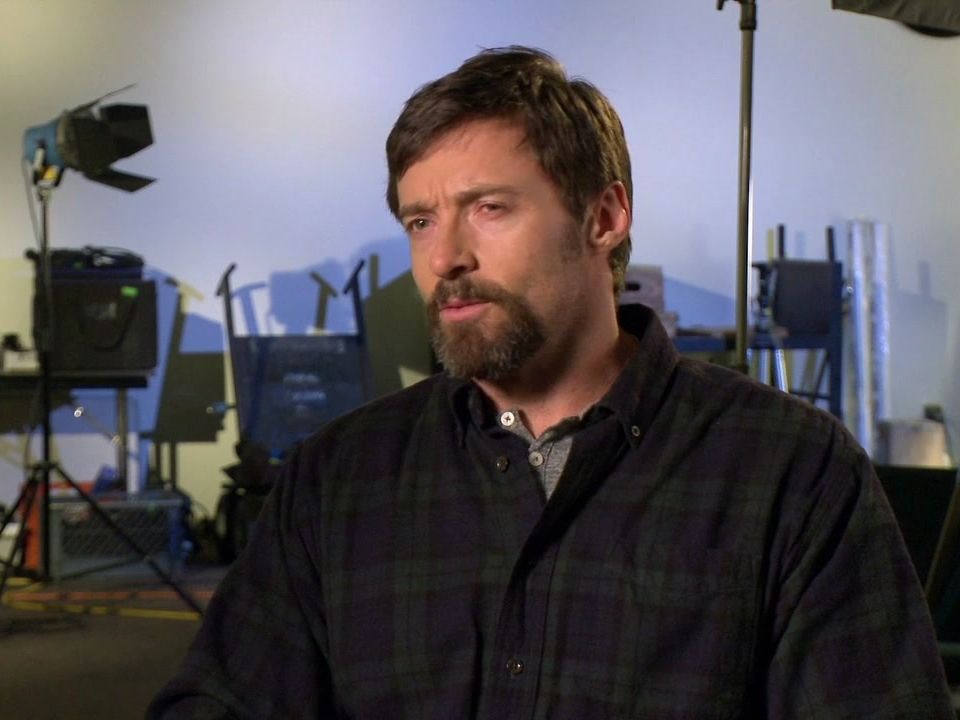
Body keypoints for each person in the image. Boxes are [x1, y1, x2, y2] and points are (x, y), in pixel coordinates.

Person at [149, 46, 953, 719]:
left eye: (488, 208)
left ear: (604, 218)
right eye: (420, 221)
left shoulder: (791, 472)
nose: (445, 258)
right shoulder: (340, 479)